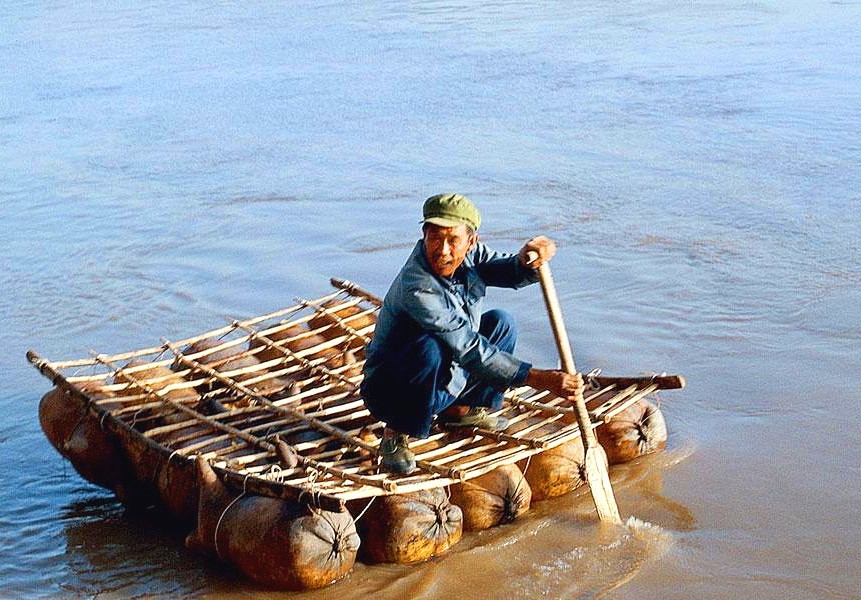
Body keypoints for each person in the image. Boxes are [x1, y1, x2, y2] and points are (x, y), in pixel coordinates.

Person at [361, 193, 585, 474]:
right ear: (424, 236)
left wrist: (527, 263)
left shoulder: (473, 256)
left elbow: (509, 271)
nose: (442, 250)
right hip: (393, 389)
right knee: (428, 349)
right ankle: (395, 433)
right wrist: (537, 378)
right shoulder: (417, 286)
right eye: (434, 238)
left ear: (471, 241)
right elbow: (467, 348)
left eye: (452, 240)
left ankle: (461, 411)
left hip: (444, 372)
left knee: (502, 323)